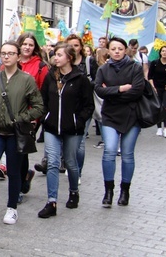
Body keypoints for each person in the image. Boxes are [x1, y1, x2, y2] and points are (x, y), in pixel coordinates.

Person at [0, 41, 43, 226]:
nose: (7, 56)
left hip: (15, 133)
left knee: (14, 171)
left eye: (11, 53)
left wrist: (21, 117)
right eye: (3, 53)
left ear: (18, 56)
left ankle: (12, 208)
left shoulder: (26, 79)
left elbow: (39, 106)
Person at [37, 43, 94, 219]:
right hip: (52, 127)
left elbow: (88, 105)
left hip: (72, 129)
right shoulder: (50, 77)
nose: (56, 58)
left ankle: (74, 192)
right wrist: (45, 117)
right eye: (55, 55)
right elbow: (43, 99)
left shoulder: (80, 79)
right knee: (53, 162)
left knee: (70, 162)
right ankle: (51, 201)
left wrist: (79, 121)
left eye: (60, 55)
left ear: (69, 57)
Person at [94, 37, 145, 207]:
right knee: (109, 150)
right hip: (110, 115)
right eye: (113, 48)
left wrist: (112, 94)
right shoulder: (103, 69)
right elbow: (99, 90)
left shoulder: (135, 67)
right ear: (108, 50)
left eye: (120, 49)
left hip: (132, 115)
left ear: (125, 50)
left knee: (127, 154)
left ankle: (125, 190)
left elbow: (137, 91)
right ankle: (108, 191)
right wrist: (120, 89)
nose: (116, 51)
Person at [17, 32, 48, 190]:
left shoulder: (40, 66)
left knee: (22, 149)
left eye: (30, 45)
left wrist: (36, 116)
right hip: (10, 114)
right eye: (24, 44)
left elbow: (44, 92)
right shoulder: (10, 62)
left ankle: (21, 183)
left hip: (29, 116)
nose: (27, 47)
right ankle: (24, 176)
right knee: (12, 150)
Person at [65, 34, 97, 177]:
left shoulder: (89, 62)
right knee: (67, 139)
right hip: (66, 107)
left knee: (80, 140)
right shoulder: (63, 62)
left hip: (84, 106)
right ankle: (69, 163)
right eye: (70, 45)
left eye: (76, 45)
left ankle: (77, 171)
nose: (73, 48)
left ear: (81, 47)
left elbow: (98, 82)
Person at [148, 46, 166, 138]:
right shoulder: (155, 63)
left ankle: (165, 128)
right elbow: (150, 77)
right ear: (160, 52)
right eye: (163, 51)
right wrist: (153, 87)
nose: (164, 53)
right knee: (159, 107)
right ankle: (159, 128)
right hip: (157, 88)